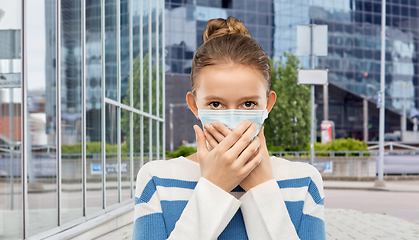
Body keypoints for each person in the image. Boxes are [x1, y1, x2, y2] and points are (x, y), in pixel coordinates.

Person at [133, 17, 325, 240]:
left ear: (268, 104)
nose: (233, 119)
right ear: (195, 105)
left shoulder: (304, 181)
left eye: (248, 104)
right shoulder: (156, 179)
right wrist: (214, 187)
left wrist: (262, 190)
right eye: (215, 104)